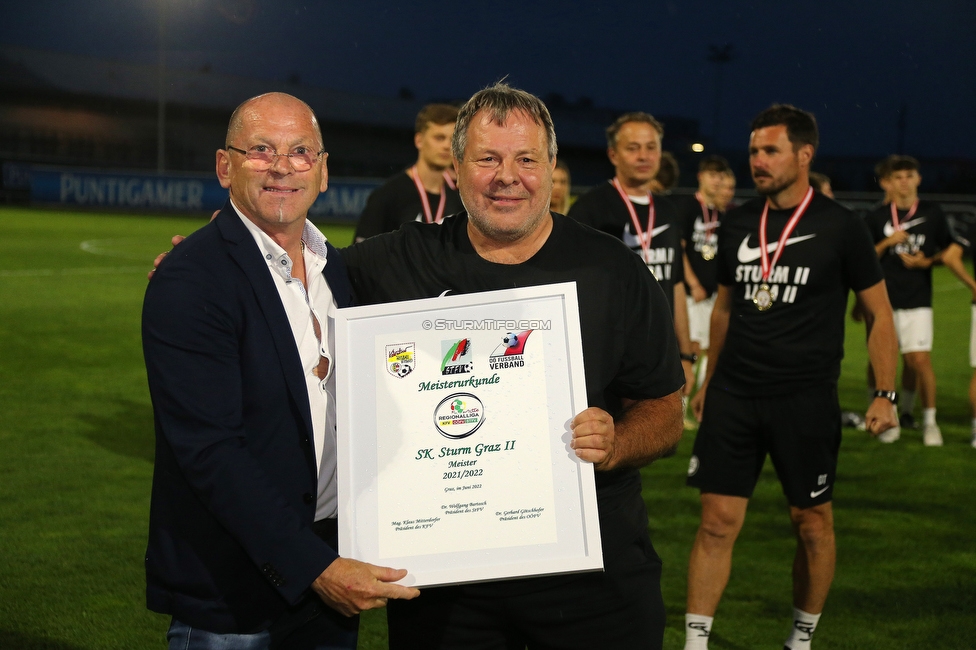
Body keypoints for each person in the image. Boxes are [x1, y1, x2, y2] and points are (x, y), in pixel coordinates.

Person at [342, 83, 685, 649]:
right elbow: (292, 277)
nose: (508, 176)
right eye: (488, 159)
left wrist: (617, 443)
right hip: (451, 587)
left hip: (592, 579)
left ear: (551, 167)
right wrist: (208, 265)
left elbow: (664, 413)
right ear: (455, 168)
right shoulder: (399, 259)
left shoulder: (612, 270)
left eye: (527, 159)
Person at [142, 92, 418, 650]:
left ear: (322, 171)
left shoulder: (333, 267)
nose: (281, 166)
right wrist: (313, 567)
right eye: (260, 149)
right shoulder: (192, 278)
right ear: (225, 167)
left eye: (300, 152)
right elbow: (210, 452)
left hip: (327, 563)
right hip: (236, 588)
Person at [683, 104, 899, 650]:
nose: (757, 160)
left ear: (804, 155)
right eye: (753, 150)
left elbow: (880, 314)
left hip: (803, 398)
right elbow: (725, 308)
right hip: (734, 393)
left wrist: (885, 393)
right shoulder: (737, 221)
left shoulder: (841, 225)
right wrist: (709, 378)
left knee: (811, 523)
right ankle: (694, 642)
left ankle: (800, 640)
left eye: (770, 150)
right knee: (715, 523)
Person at [568, 112, 697, 398]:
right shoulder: (590, 210)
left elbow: (675, 286)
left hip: (660, 357)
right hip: (607, 361)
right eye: (633, 147)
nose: (644, 156)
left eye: (651, 147)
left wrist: (685, 355)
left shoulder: (668, 212)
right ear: (613, 154)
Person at [865, 155, 975, 445]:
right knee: (879, 360)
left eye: (909, 176)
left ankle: (928, 421)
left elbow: (950, 250)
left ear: (918, 179)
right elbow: (863, 259)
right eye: (898, 176)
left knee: (918, 361)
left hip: (918, 298)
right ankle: (879, 414)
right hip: (882, 300)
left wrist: (928, 261)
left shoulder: (932, 212)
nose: (904, 181)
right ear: (889, 181)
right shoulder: (876, 216)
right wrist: (888, 242)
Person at [353, 103, 463, 241]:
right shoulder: (387, 196)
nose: (447, 146)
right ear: (419, 140)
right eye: (439, 138)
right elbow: (362, 257)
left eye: (453, 140)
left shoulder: (461, 197)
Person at [674, 155, 732, 390]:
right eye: (711, 175)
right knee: (692, 346)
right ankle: (682, 402)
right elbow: (680, 248)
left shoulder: (722, 214)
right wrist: (693, 283)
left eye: (720, 176)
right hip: (691, 293)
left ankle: (702, 398)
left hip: (713, 293)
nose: (716, 181)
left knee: (710, 346)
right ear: (701, 177)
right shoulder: (688, 207)